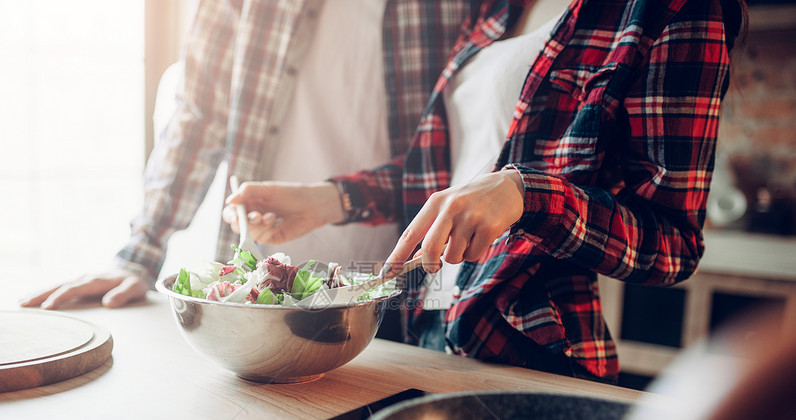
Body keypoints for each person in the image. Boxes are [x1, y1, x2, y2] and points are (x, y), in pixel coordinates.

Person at [224, 0, 746, 383]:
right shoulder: (494, 8)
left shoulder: (673, 9)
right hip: (421, 335)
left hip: (529, 355)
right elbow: (455, 177)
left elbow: (673, 242)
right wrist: (329, 200)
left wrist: (525, 195)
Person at [21, 0, 468, 341]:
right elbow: (199, 110)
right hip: (258, 294)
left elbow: (457, 141)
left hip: (396, 286)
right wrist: (141, 251)